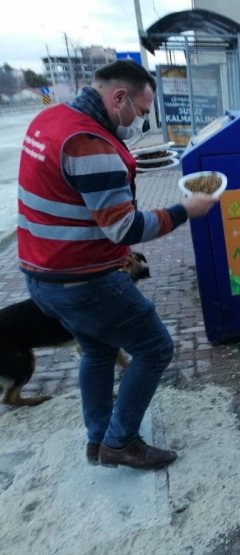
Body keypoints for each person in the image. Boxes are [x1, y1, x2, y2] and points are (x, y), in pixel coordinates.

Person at [17, 60, 217, 470]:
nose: (140, 122)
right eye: (142, 113)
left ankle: (98, 439)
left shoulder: (50, 120)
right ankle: (120, 441)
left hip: (42, 275)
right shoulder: (91, 145)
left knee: (97, 348)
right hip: (83, 281)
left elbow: (75, 201)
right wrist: (185, 210)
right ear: (119, 97)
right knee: (155, 347)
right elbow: (123, 227)